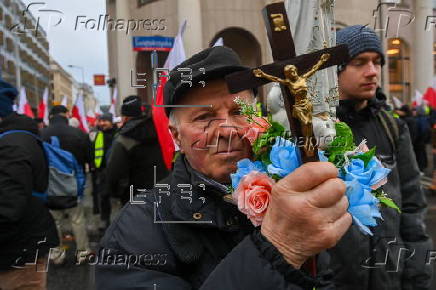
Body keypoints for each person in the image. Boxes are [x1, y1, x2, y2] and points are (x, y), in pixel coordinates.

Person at [95, 47, 352, 289]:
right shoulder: (135, 232)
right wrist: (279, 247)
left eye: (239, 111)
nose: (227, 130)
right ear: (176, 137)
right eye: (204, 117)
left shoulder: (289, 195)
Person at [332, 25, 433, 290]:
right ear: (336, 69)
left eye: (377, 62)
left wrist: (417, 276)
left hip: (391, 276)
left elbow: (412, 208)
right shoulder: (318, 130)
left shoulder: (392, 126)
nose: (373, 72)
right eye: (360, 62)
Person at [0, 79, 58, 289]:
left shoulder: (11, 146)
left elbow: (8, 207)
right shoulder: (18, 139)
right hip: (23, 245)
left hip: (17, 250)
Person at [41, 105, 92, 264]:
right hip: (73, 182)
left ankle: (56, 254)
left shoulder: (41, 135)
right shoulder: (78, 133)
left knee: (53, 219)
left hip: (49, 184)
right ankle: (82, 252)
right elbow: (89, 159)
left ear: (50, 116)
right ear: (66, 115)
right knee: (77, 218)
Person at [106, 95, 169, 205]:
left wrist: (116, 193)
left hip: (134, 198)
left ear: (125, 117)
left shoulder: (124, 138)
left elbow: (114, 172)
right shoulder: (160, 130)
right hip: (163, 191)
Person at [91, 112, 117, 230]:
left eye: (105, 121)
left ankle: (119, 222)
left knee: (117, 197)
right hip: (102, 171)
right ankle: (105, 220)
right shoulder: (98, 134)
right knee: (104, 197)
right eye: (100, 121)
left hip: (116, 170)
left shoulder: (118, 134)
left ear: (111, 122)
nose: (102, 123)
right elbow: (94, 151)